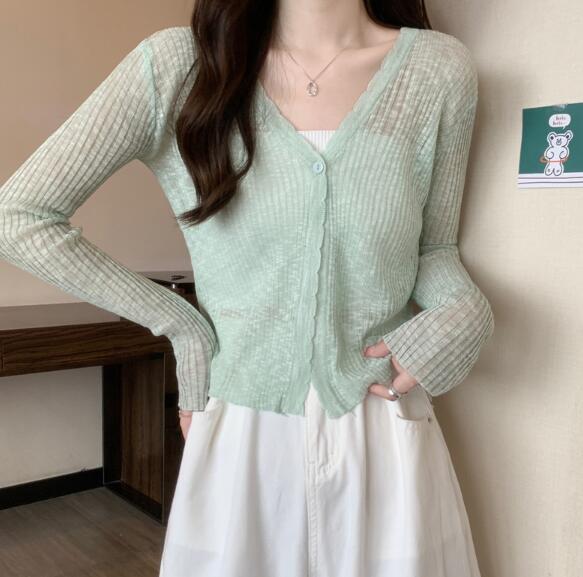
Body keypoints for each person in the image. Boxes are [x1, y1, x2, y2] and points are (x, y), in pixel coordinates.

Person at [0, 1, 495, 576]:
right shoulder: (178, 66)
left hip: (381, 423)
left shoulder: (438, 69)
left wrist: (466, 310)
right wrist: (182, 325)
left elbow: (432, 248)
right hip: (242, 427)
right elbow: (20, 218)